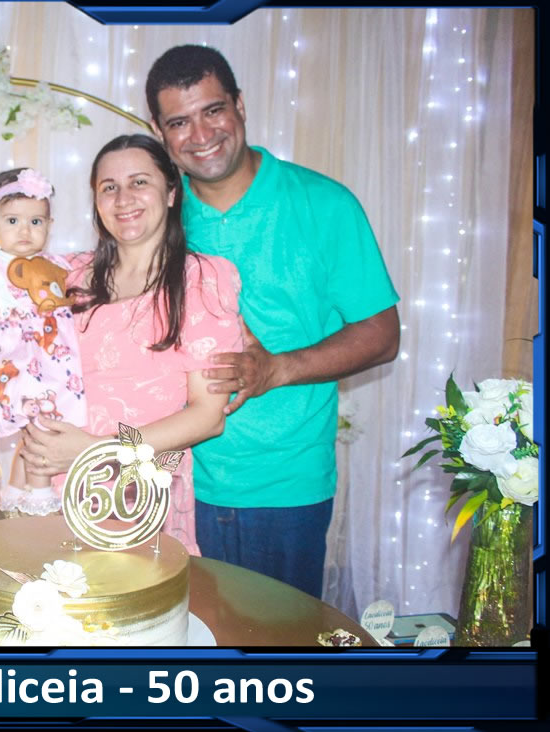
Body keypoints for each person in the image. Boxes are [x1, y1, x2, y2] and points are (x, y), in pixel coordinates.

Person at [145, 44, 400, 596]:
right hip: (171, 485)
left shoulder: (323, 204)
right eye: (179, 122)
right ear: (159, 132)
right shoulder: (157, 217)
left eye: (213, 110)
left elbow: (381, 336)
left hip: (284, 488)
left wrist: (276, 368)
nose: (201, 135)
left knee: (275, 644)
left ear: (240, 105)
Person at [21, 135, 244, 554]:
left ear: (172, 192)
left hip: (138, 494)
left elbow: (208, 415)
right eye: (109, 187)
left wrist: (93, 451)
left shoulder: (203, 280)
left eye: (139, 182)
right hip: (52, 486)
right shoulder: (66, 275)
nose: (123, 199)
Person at [0, 167, 85, 518]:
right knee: (40, 425)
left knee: (38, 424)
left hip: (53, 358)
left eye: (36, 222)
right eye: (12, 221)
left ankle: (16, 491)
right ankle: (40, 490)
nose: (25, 231)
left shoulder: (55, 263)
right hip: (18, 359)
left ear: (50, 226)